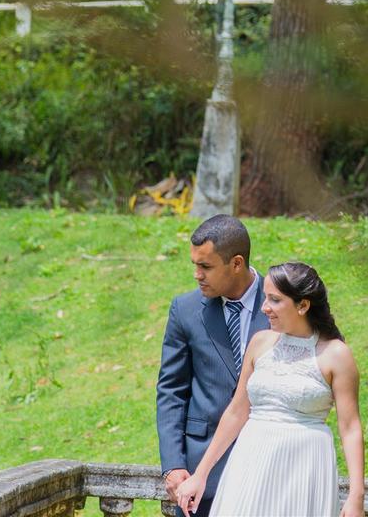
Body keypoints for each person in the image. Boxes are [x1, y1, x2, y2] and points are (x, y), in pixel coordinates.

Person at [175, 261, 365, 517]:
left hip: (304, 466)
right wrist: (201, 474)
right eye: (265, 297)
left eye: (275, 300)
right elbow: (237, 411)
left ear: (303, 305)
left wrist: (356, 496)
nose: (265, 308)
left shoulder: (336, 355)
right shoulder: (260, 343)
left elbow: (350, 427)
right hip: (250, 459)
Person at [157, 215, 270, 517]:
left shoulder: (280, 305)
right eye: (194, 264)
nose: (196, 275)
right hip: (200, 474)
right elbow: (171, 391)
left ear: (236, 263)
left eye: (205, 266)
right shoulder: (185, 309)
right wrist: (174, 465)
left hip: (269, 468)